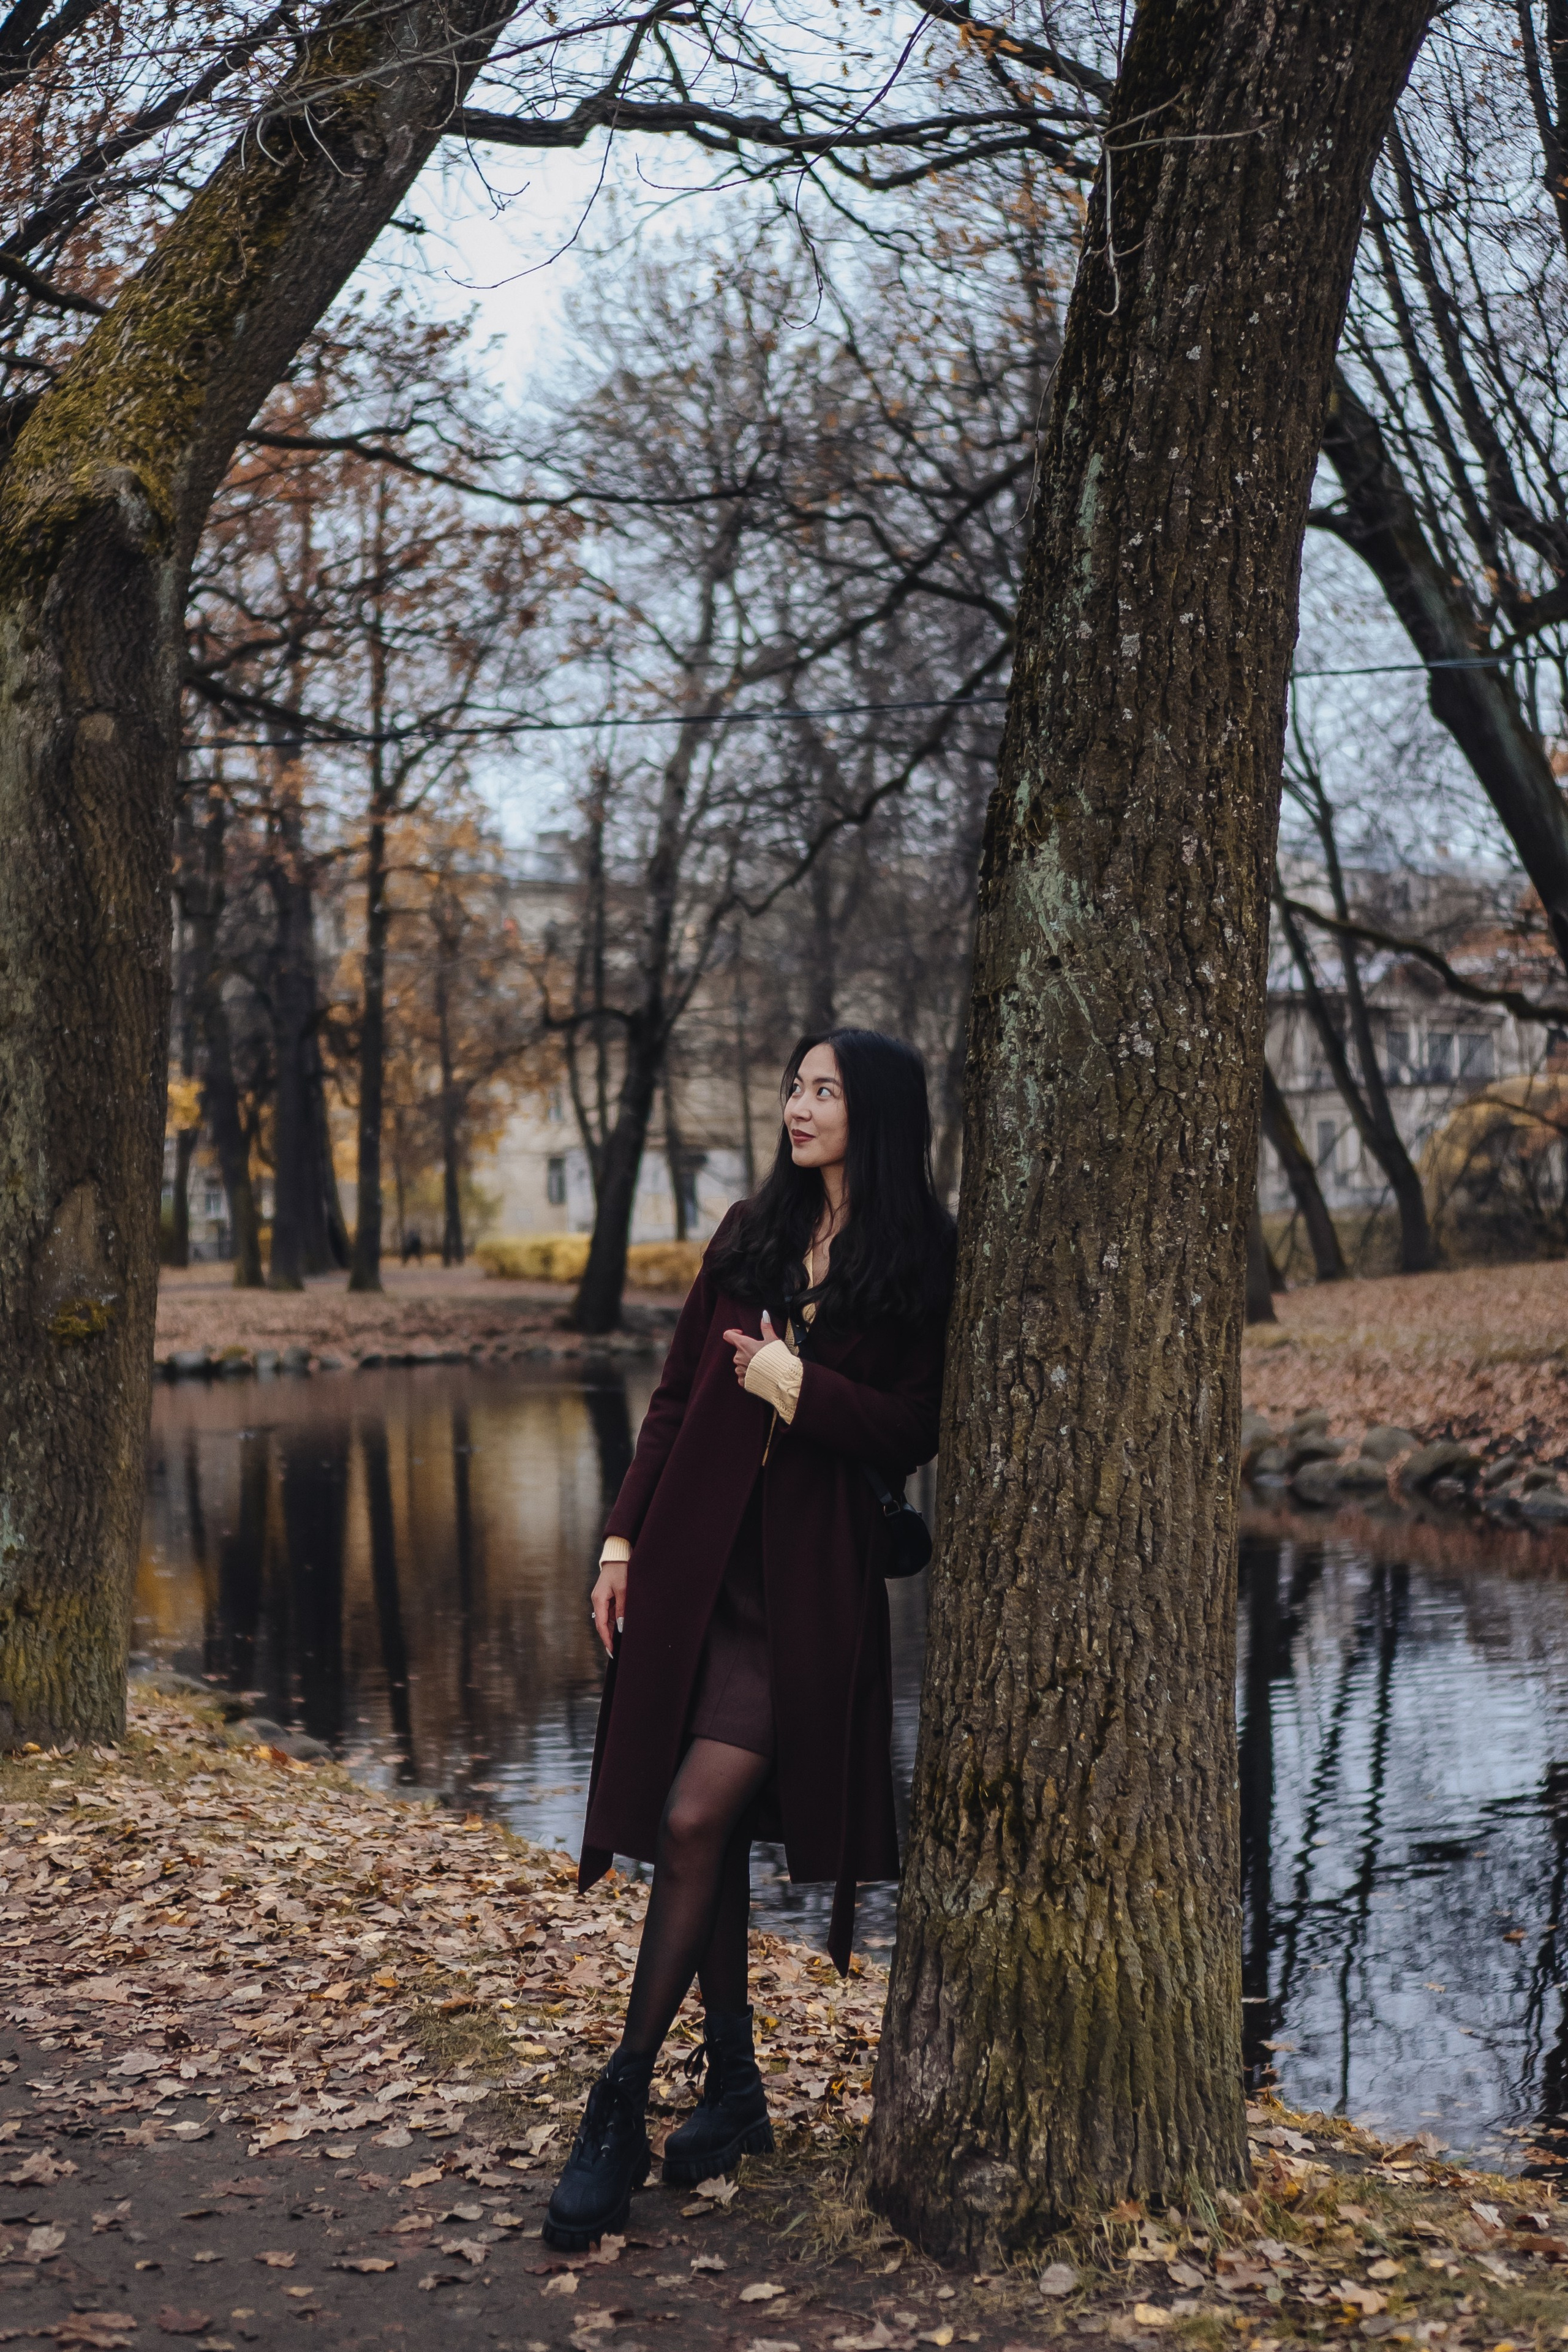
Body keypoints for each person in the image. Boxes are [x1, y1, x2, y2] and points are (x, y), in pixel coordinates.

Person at [543, 1028, 956, 2252]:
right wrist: (618, 1545)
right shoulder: (748, 1235)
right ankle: (730, 2093)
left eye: (822, 1090)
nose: (797, 1106)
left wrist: (793, 1384)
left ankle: (616, 2098)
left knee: (689, 1818)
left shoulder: (922, 1258)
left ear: (873, 1113)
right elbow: (673, 1397)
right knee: (696, 1827)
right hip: (693, 1570)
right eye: (793, 1086)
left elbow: (912, 1428)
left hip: (808, 1590)